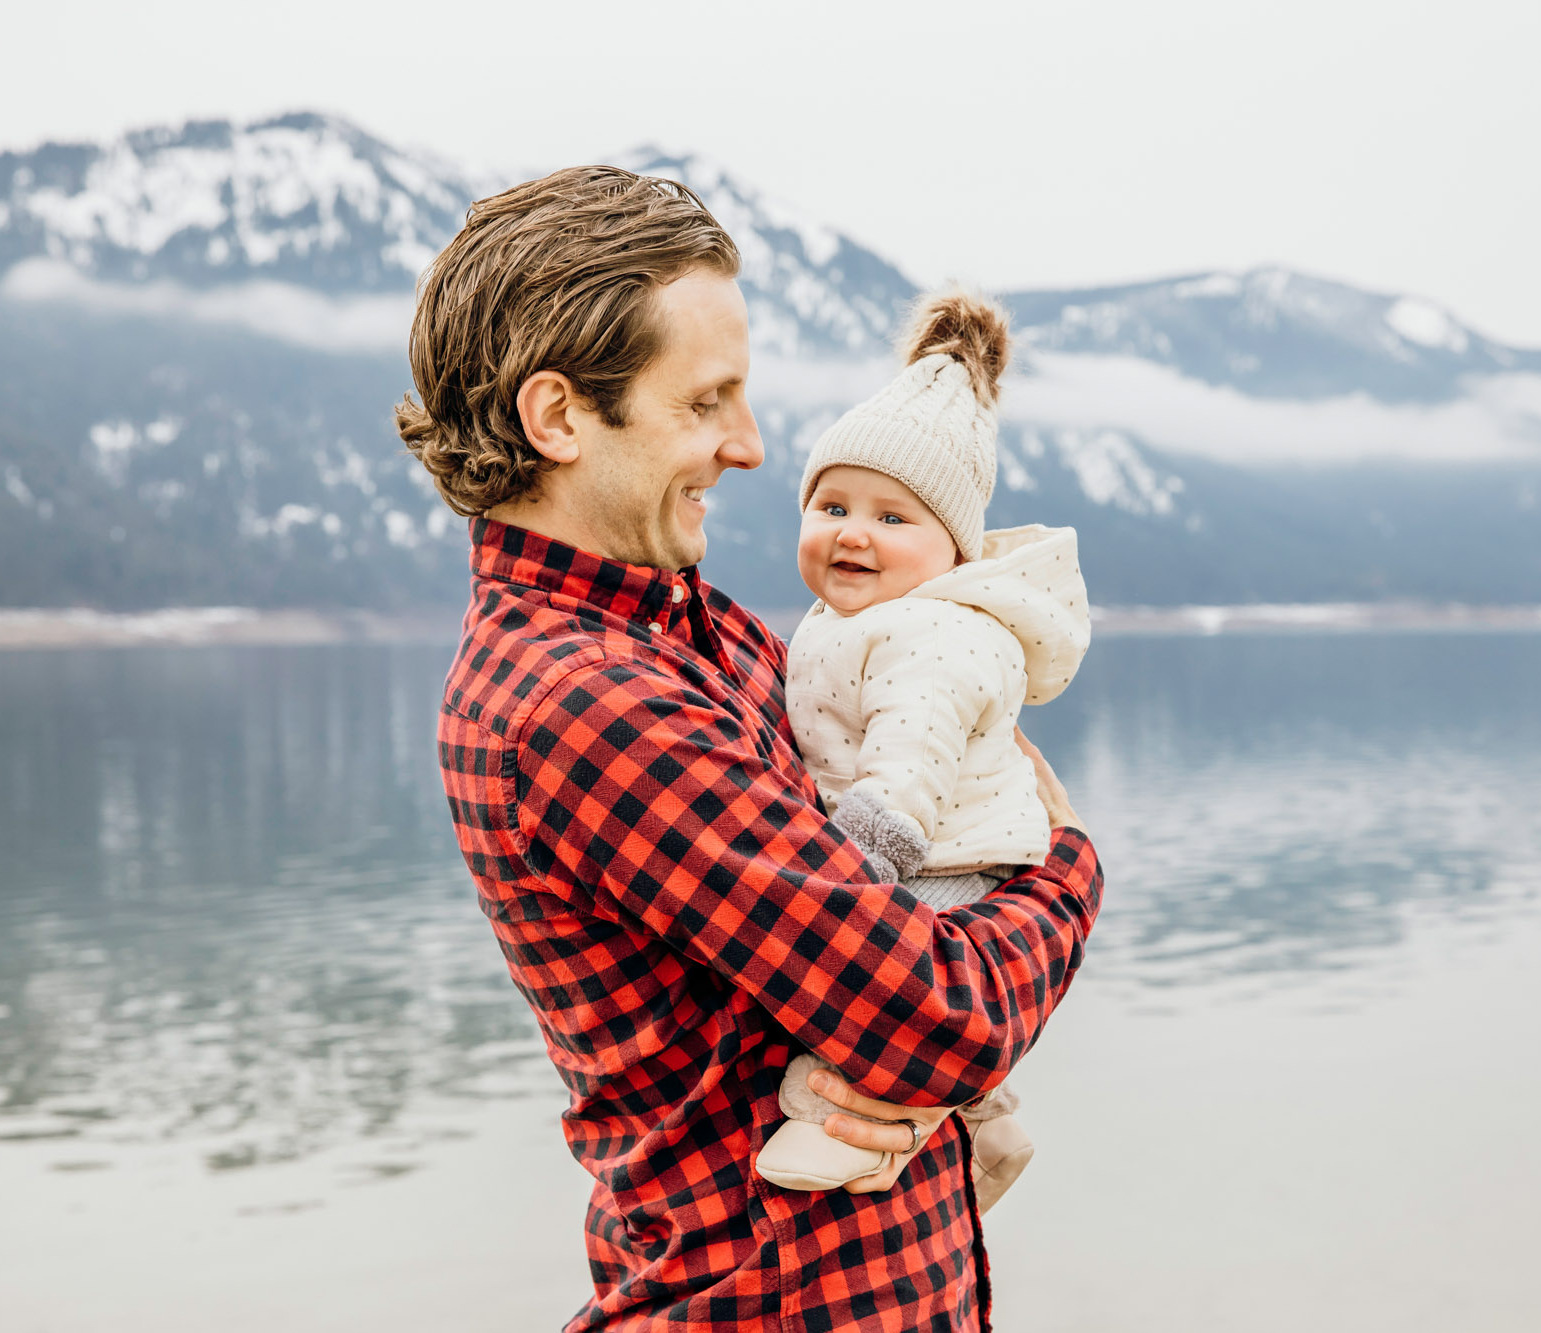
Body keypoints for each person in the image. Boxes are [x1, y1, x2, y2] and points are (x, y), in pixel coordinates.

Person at [396, 165, 1103, 1333]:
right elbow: (937, 1014)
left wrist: (888, 1049)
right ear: (559, 416)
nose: (751, 445)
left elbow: (875, 942)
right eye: (704, 401)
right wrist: (1068, 863)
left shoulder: (697, 628)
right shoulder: (586, 703)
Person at [753, 291, 1089, 1212]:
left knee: (858, 1019)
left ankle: (846, 1137)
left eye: (893, 518)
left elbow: (913, 761)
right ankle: (994, 1125)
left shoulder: (933, 633)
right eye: (832, 504)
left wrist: (852, 863)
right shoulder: (851, 618)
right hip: (915, 842)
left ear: (953, 550)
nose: (854, 531)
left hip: (939, 852)